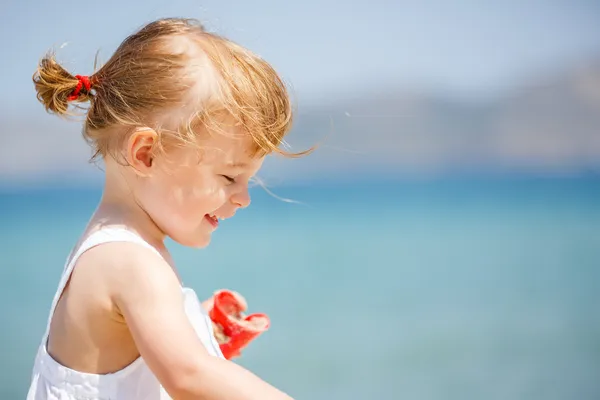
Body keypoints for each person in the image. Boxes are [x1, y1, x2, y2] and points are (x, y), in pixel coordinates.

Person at [27, 17, 310, 400]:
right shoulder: (128, 261)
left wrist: (200, 331)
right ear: (146, 154)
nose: (244, 198)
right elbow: (189, 376)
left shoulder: (114, 248)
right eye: (229, 178)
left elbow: (140, 366)